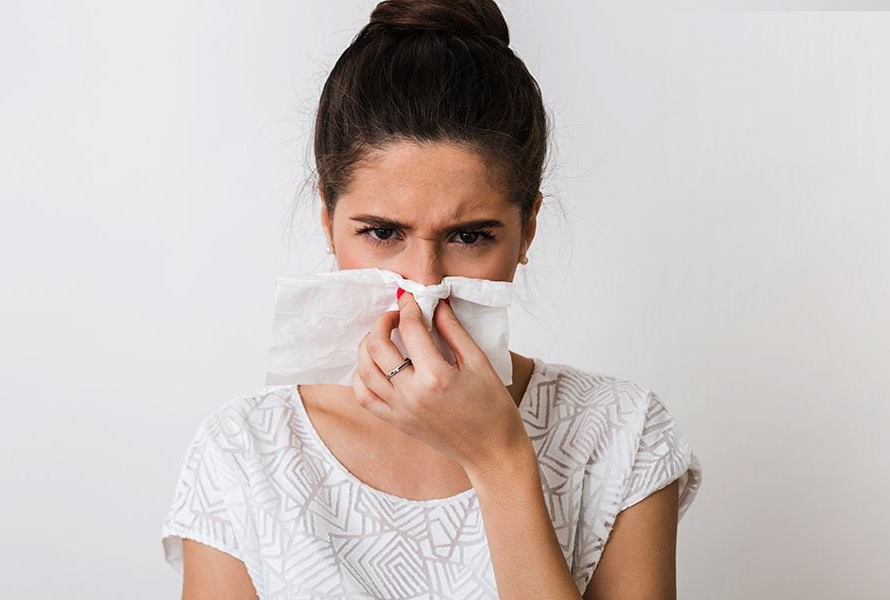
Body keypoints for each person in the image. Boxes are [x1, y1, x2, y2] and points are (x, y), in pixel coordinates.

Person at [160, 1, 702, 598]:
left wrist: (498, 459)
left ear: (527, 231)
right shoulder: (244, 453)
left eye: (469, 237)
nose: (422, 285)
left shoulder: (620, 437)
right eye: (383, 233)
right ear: (327, 221)